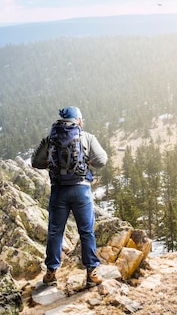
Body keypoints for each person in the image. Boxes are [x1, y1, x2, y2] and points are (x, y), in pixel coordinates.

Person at [31, 106, 108, 287]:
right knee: (86, 231)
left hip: (59, 191)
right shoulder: (87, 137)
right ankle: (92, 273)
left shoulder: (50, 138)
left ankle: (51, 273)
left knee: (55, 231)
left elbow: (35, 162)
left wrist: (50, 165)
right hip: (81, 190)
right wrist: (88, 162)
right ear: (78, 120)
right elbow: (103, 160)